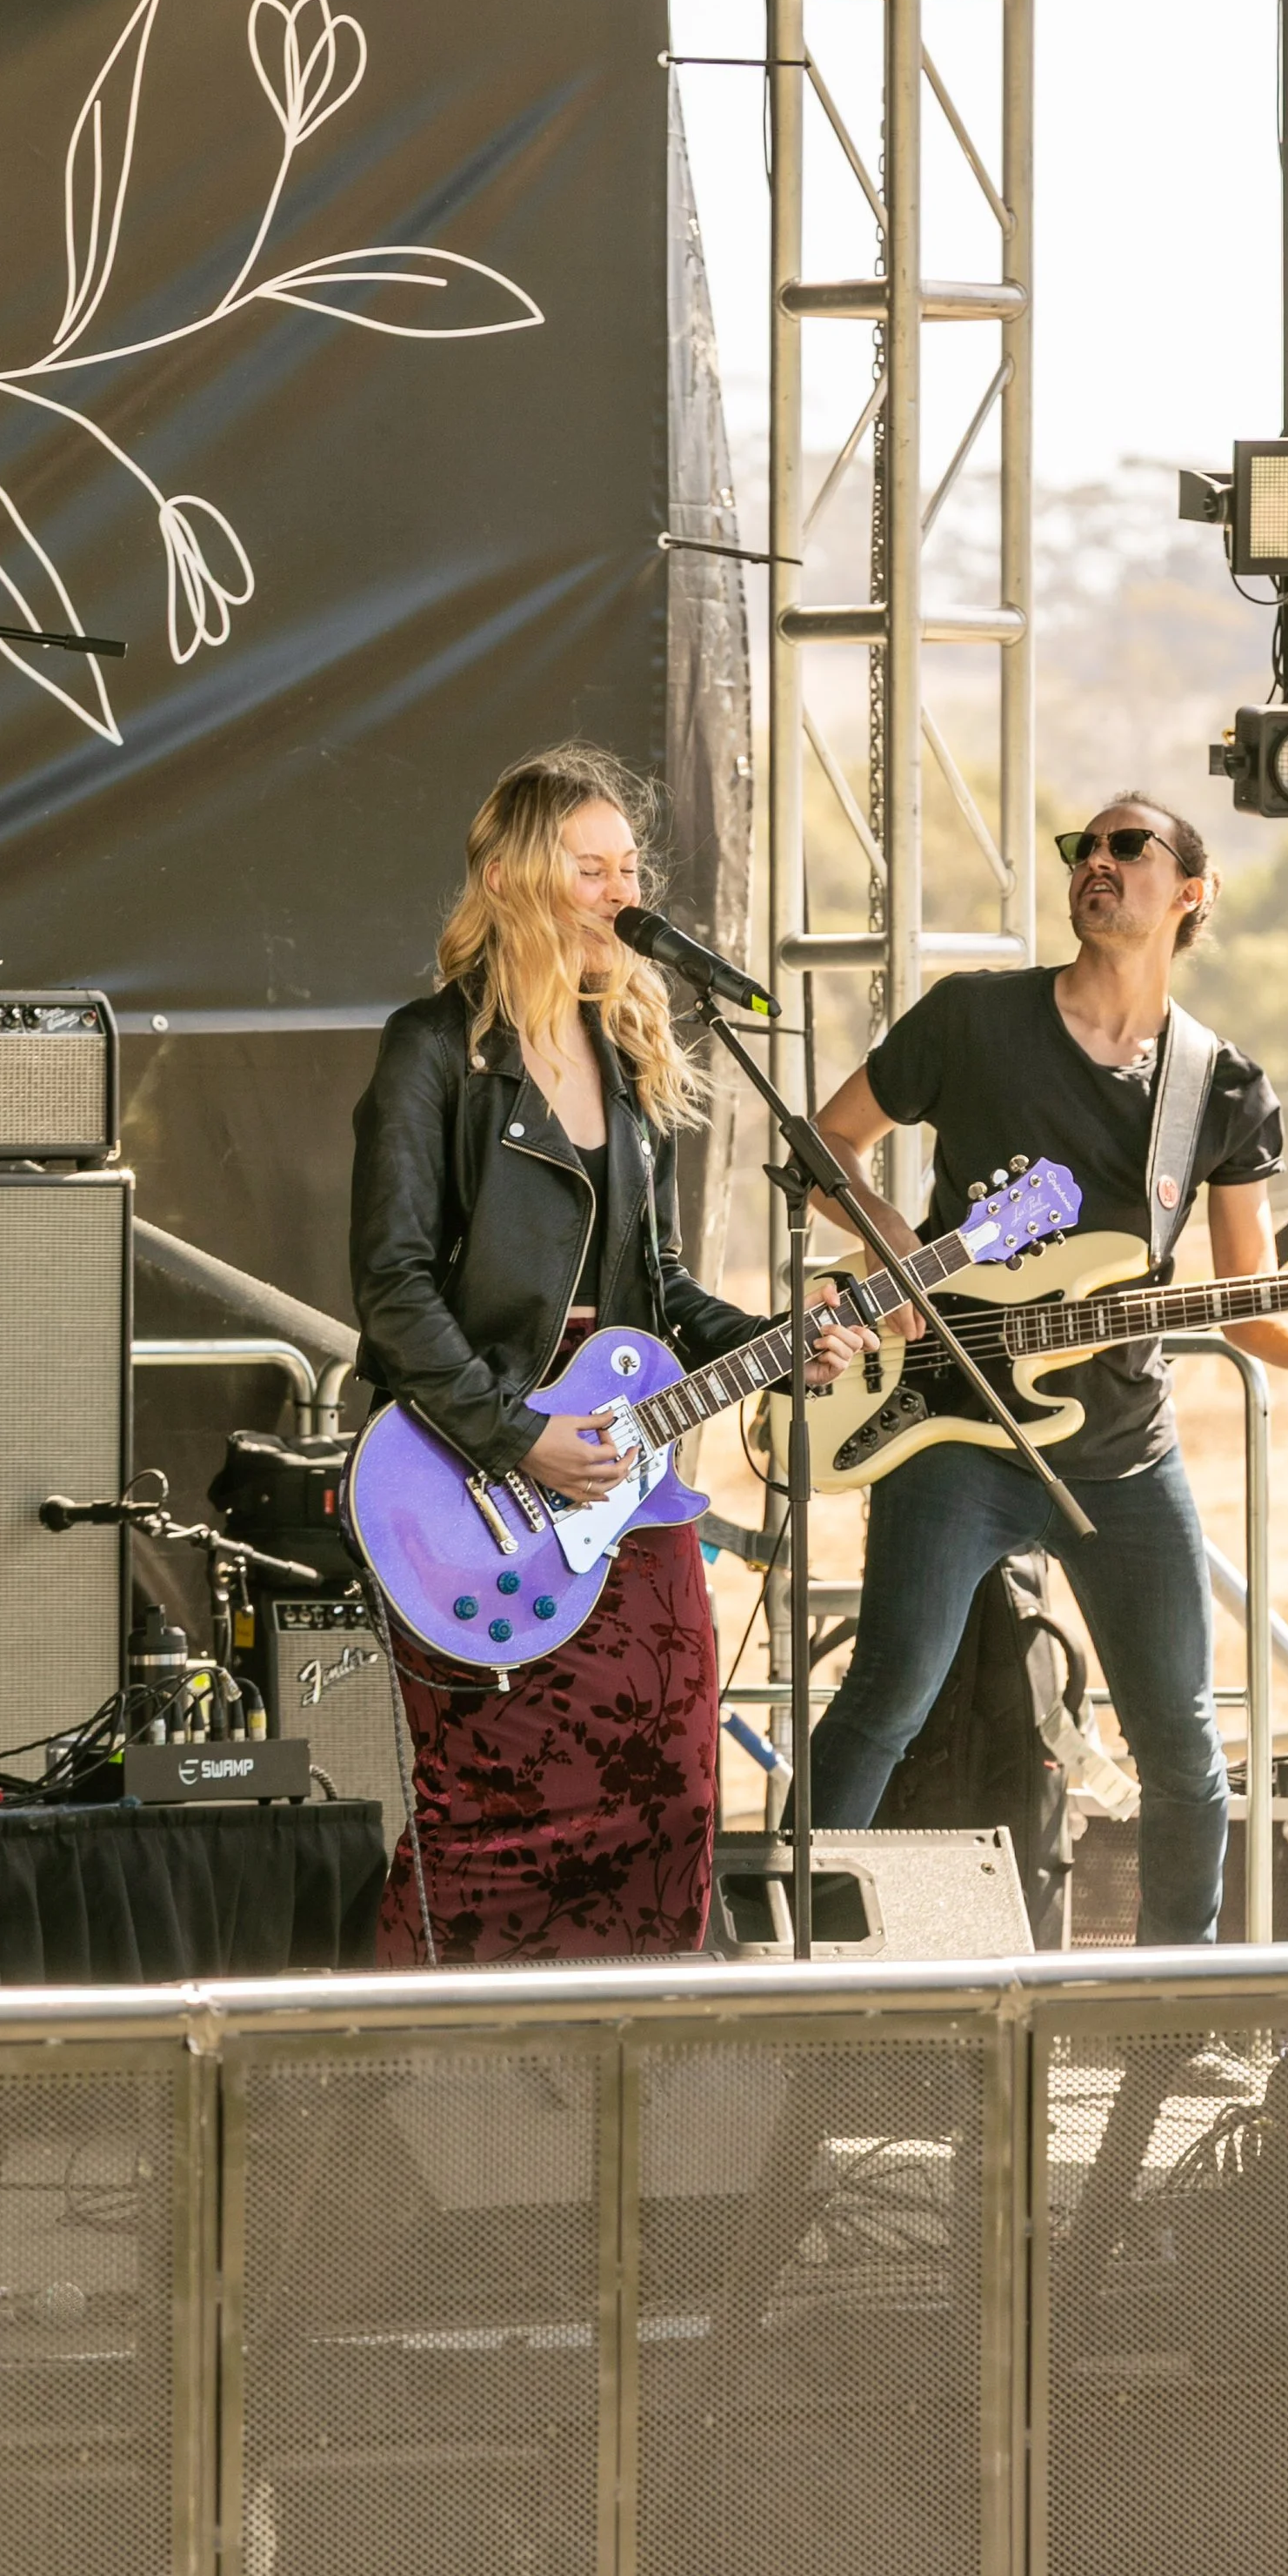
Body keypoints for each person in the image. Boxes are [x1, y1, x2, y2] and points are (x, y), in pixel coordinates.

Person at [803, 792, 1288, 1944]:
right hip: (952, 1423)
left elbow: (1242, 1295)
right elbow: (826, 1145)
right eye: (1084, 846)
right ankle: (787, 1947)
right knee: (885, 1698)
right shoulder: (971, 1020)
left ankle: (1177, 1996)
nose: (1098, 862)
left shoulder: (1218, 1087)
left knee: (1183, 1743)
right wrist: (901, 1257)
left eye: (1131, 847)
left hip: (1121, 1448)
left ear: (1191, 894)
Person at [349, 745, 870, 1965]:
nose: (622, 896)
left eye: (629, 868)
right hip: (477, 1482)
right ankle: (415, 2106)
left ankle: (627, 2080)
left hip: (630, 1484)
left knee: (673, 1792)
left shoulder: (630, 1059)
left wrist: (777, 1345)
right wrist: (518, 1430)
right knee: (485, 1817)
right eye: (592, 870)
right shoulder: (433, 1051)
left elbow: (662, 1289)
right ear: (511, 877)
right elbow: (392, 1290)